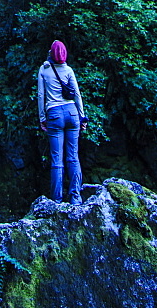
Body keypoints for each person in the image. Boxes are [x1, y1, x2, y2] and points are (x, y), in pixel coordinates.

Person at [37, 39, 88, 205]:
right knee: (73, 157)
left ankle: (57, 201)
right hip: (72, 113)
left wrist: (42, 118)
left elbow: (40, 96)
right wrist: (82, 117)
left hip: (54, 115)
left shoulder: (44, 70)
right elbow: (77, 95)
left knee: (57, 159)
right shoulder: (68, 70)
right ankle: (75, 198)